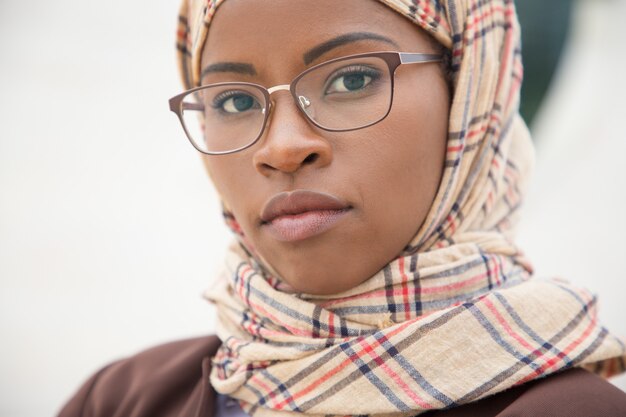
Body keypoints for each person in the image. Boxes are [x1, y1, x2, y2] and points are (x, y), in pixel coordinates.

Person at [58, 0, 626, 416]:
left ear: (470, 94)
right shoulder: (122, 400)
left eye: (352, 79)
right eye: (233, 100)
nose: (281, 148)